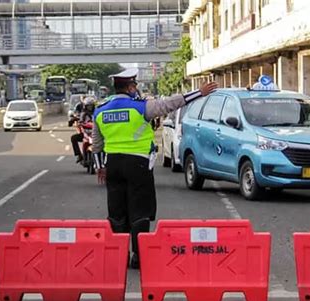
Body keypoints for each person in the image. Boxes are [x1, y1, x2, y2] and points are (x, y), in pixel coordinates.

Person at [92, 68, 218, 269]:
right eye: (135, 86)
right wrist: (198, 93)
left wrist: (100, 167)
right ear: (131, 87)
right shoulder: (141, 107)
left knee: (116, 213)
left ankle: (118, 256)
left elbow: (96, 145)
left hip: (113, 165)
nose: (136, 89)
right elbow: (170, 104)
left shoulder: (100, 110)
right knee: (140, 211)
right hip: (138, 164)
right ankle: (138, 257)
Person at [71, 96, 96, 163]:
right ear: (85, 106)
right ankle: (79, 155)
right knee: (73, 138)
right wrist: (77, 121)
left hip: (96, 133)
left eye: (91, 106)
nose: (90, 108)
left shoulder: (97, 113)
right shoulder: (83, 114)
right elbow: (79, 120)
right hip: (86, 133)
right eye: (88, 106)